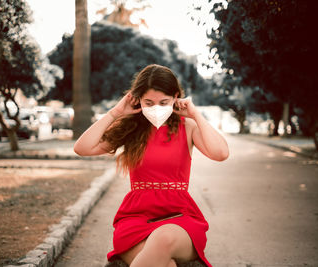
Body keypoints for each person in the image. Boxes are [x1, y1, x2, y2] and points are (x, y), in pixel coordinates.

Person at [74, 64, 229, 267]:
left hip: (180, 218)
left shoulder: (187, 127)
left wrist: (195, 115)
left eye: (164, 102)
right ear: (138, 100)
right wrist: (116, 112)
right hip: (135, 220)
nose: (156, 108)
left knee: (162, 238)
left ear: (175, 97)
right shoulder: (130, 128)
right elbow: (82, 148)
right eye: (149, 102)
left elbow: (221, 153)